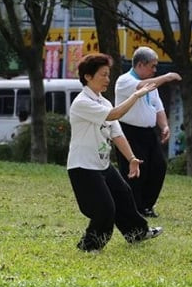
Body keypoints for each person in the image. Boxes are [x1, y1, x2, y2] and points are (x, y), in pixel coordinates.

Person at [67, 53, 163, 252]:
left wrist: (132, 158)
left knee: (124, 195)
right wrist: (136, 95)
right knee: (105, 209)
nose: (107, 80)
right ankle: (89, 246)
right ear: (87, 76)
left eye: (108, 75)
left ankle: (137, 233)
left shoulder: (104, 102)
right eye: (103, 75)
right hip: (83, 167)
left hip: (102, 164)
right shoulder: (82, 102)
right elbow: (115, 115)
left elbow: (117, 134)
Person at [115, 46, 181, 218]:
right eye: (152, 66)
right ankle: (133, 207)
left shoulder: (152, 85)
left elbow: (157, 107)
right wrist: (166, 77)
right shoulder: (125, 80)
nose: (155, 70)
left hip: (148, 132)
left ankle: (147, 205)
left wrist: (164, 126)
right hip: (129, 132)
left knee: (158, 166)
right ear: (141, 64)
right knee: (135, 171)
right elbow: (140, 87)